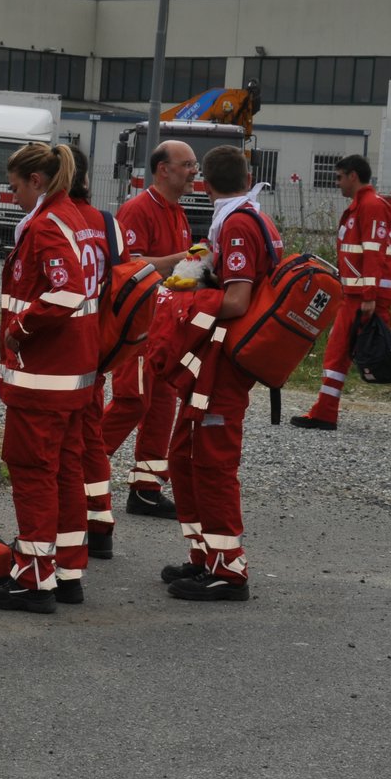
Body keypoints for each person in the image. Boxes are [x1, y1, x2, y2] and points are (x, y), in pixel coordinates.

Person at [0, 142, 96, 614]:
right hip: (75, 372)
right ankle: (67, 572)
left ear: (37, 181)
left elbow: (67, 292)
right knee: (67, 471)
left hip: (43, 375)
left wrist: (20, 330)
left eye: (15, 187)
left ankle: (33, 579)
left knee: (32, 473)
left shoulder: (47, 226)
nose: (12, 198)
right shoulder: (80, 218)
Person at [162, 144, 282, 602]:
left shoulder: (236, 224)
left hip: (227, 362)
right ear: (247, 176)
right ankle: (203, 556)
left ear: (204, 184)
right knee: (185, 455)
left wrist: (186, 300)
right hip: (220, 360)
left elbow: (236, 301)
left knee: (212, 463)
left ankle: (229, 571)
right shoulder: (252, 215)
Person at [289, 154, 391, 434]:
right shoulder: (361, 206)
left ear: (353, 176)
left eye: (339, 177)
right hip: (357, 295)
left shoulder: (371, 206)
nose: (337, 183)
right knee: (342, 352)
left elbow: (373, 252)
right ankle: (326, 412)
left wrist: (370, 295)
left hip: (366, 297)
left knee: (377, 355)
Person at [102, 139, 195, 518]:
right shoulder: (138, 209)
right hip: (138, 327)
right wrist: (185, 259)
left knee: (161, 407)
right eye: (187, 164)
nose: (194, 172)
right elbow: (131, 269)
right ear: (163, 170)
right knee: (131, 401)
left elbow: (178, 272)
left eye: (194, 165)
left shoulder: (178, 212)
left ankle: (146, 490)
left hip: (167, 327)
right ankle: (77, 467)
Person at [67, 144, 120, 559]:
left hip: (59, 353)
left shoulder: (48, 221)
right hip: (97, 346)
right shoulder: (107, 222)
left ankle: (61, 536)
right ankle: (100, 524)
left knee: (57, 449)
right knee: (92, 438)